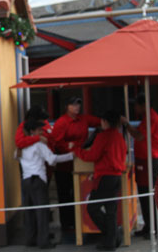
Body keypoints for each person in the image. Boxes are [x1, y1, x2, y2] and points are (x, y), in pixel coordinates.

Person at [17, 118, 74, 249]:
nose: (42, 132)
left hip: (25, 180)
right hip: (38, 180)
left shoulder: (21, 145)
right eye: (39, 130)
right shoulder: (39, 144)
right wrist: (71, 155)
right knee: (42, 212)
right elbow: (52, 159)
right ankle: (43, 241)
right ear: (32, 131)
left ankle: (30, 239)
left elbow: (16, 156)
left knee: (29, 212)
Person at [74, 110, 126, 251]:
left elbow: (92, 155)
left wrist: (77, 150)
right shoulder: (120, 137)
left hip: (105, 177)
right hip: (116, 176)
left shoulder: (104, 136)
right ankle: (112, 239)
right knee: (111, 211)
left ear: (105, 122)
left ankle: (111, 237)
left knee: (93, 208)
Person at [50, 97, 101, 231]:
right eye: (73, 104)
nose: (76, 107)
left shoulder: (83, 119)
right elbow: (57, 144)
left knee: (79, 193)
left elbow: (99, 122)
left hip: (81, 162)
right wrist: (71, 147)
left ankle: (79, 222)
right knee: (65, 195)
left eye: (78, 104)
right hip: (65, 165)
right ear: (67, 107)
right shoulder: (61, 122)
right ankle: (67, 225)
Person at [121, 94, 158, 239]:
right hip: (143, 160)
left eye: (136, 105)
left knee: (150, 195)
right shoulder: (146, 118)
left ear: (143, 104)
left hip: (150, 161)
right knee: (144, 195)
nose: (135, 108)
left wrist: (126, 124)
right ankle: (149, 225)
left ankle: (157, 228)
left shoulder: (152, 118)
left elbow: (139, 136)